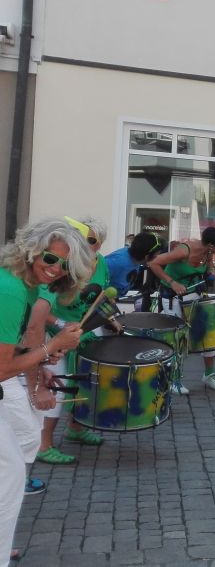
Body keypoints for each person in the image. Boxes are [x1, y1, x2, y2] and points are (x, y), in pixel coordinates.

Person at [0, 218, 89, 566]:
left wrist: (42, 361)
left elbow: (14, 353)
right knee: (9, 473)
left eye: (64, 265)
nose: (55, 269)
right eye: (50, 259)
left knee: (20, 448)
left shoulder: (27, 288)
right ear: (31, 250)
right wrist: (53, 344)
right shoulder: (11, 290)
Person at [33, 217, 111, 465]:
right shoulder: (61, 265)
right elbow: (40, 306)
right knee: (56, 385)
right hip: (54, 332)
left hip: (82, 332)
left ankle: (76, 428)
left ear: (100, 244)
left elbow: (100, 295)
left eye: (91, 240)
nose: (85, 244)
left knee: (86, 382)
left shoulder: (101, 264)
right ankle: (43, 444)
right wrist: (59, 326)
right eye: (82, 237)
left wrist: (108, 319)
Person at [148, 226, 215, 393]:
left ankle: (209, 374)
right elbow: (153, 264)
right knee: (178, 339)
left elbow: (204, 273)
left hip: (194, 296)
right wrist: (172, 282)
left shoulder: (207, 253)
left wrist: (214, 274)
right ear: (211, 245)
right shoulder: (183, 251)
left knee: (208, 334)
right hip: (173, 298)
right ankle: (173, 379)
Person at [105, 232, 161, 297]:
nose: (155, 259)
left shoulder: (136, 260)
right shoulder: (116, 262)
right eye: (154, 256)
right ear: (146, 256)